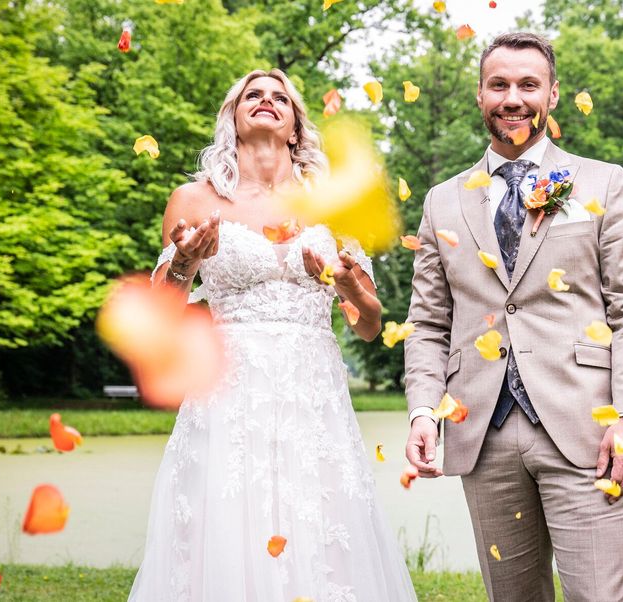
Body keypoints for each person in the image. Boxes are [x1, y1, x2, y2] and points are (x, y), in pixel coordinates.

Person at [130, 69, 417, 602]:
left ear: (294, 127)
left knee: (322, 520)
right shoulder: (194, 199)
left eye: (279, 96)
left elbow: (372, 323)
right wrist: (185, 263)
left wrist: (348, 280)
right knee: (228, 518)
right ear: (233, 121)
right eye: (252, 96)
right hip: (227, 393)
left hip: (313, 392)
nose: (266, 101)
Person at [403, 33, 623, 601]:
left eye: (527, 84)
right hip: (482, 434)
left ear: (553, 94)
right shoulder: (441, 201)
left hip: (588, 427)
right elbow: (426, 322)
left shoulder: (602, 183)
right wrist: (424, 408)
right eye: (499, 85)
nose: (512, 98)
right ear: (480, 95)